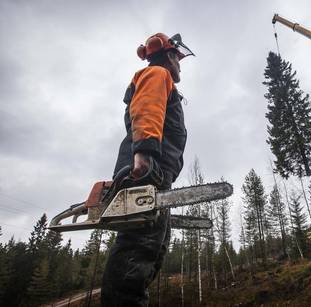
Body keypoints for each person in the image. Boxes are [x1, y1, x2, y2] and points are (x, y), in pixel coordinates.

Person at [101, 33, 194, 306]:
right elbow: (147, 108)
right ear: (169, 55)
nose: (180, 63)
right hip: (147, 172)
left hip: (157, 178)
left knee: (151, 254)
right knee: (136, 255)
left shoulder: (161, 79)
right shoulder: (156, 74)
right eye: (178, 57)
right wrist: (143, 156)